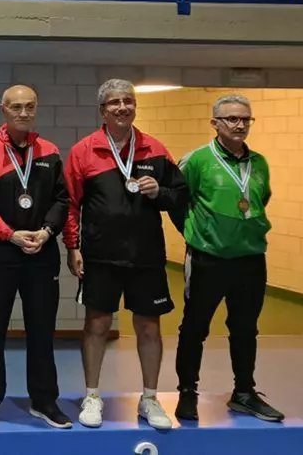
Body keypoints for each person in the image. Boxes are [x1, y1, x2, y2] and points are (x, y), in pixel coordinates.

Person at [63, 78, 188, 430]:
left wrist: (159, 191)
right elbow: (70, 204)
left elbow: (180, 196)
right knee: (97, 324)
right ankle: (92, 396)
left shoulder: (155, 149)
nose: (122, 107)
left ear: (135, 106)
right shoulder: (84, 151)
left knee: (149, 326)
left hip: (146, 256)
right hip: (100, 255)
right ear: (103, 110)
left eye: (128, 101)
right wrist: (72, 246)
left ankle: (150, 398)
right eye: (114, 102)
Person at [0, 85, 72, 430]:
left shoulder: (50, 152)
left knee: (42, 329)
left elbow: (62, 200)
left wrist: (47, 232)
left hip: (41, 253)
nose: (23, 113)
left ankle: (44, 400)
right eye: (16, 107)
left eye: (29, 107)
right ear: (4, 110)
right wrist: (9, 234)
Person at [173, 95, 285, 422]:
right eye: (232, 119)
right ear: (215, 124)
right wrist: (195, 233)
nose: (240, 125)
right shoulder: (197, 160)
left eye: (245, 119)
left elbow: (260, 200)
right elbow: (176, 201)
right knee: (195, 327)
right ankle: (187, 392)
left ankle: (244, 393)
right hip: (207, 259)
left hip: (251, 259)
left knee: (245, 328)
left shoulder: (259, 163)